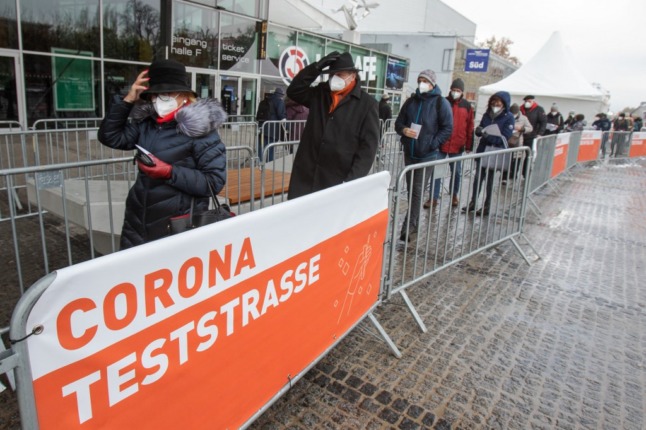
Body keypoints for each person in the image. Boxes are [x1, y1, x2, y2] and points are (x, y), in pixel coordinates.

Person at [98, 59, 227, 249]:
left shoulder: (201, 130)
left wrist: (169, 172)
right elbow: (110, 136)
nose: (160, 99)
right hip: (138, 219)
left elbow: (214, 181)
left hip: (177, 225)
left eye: (167, 93)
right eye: (155, 94)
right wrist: (127, 100)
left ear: (184, 96)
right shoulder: (147, 124)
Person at [286, 51, 380, 199]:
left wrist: (351, 182)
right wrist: (316, 68)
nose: (334, 79)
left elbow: (368, 149)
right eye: (331, 75)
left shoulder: (367, 105)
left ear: (353, 76)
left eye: (339, 75)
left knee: (327, 221)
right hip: (306, 175)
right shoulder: (320, 93)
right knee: (299, 219)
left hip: (336, 180)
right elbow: (294, 91)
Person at [395, 69, 453, 241]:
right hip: (410, 151)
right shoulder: (411, 101)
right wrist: (404, 130)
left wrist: (432, 143)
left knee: (417, 191)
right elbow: (399, 122)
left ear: (432, 84)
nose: (422, 83)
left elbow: (447, 127)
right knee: (412, 190)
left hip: (427, 154)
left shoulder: (440, 103)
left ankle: (409, 227)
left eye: (425, 81)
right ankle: (412, 225)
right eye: (420, 80)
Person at [462, 91, 514, 216]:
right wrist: (479, 131)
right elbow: (481, 127)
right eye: (493, 101)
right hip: (483, 150)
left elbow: (504, 137)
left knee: (490, 180)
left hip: (495, 151)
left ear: (504, 103)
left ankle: (487, 206)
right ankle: (473, 202)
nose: (495, 104)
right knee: (478, 178)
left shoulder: (508, 117)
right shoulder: (487, 114)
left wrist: (487, 136)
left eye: (499, 102)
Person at [425, 78, 473, 209]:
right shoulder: (443, 102)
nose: (455, 92)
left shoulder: (467, 106)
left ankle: (454, 195)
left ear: (462, 92)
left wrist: (469, 145)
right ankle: (433, 197)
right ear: (450, 90)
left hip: (457, 145)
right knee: (437, 171)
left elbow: (470, 126)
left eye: (458, 91)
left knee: (456, 172)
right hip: (442, 143)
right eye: (454, 90)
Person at [502, 103, 533, 183]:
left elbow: (530, 128)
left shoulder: (524, 118)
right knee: (506, 159)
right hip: (507, 140)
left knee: (516, 160)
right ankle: (504, 177)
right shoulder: (506, 116)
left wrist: (522, 129)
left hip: (517, 141)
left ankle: (513, 176)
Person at [519, 95, 546, 179]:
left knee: (528, 155)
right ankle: (512, 173)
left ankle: (526, 173)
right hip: (520, 136)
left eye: (529, 101)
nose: (527, 103)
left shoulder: (539, 109)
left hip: (531, 136)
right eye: (526, 101)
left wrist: (540, 133)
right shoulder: (521, 109)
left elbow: (543, 122)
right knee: (517, 155)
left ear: (533, 101)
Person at [257, 87, 287, 162]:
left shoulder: (265, 100)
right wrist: (287, 126)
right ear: (281, 95)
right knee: (271, 148)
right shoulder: (279, 101)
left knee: (261, 147)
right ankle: (269, 164)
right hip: (273, 129)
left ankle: (259, 163)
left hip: (263, 126)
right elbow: (281, 115)